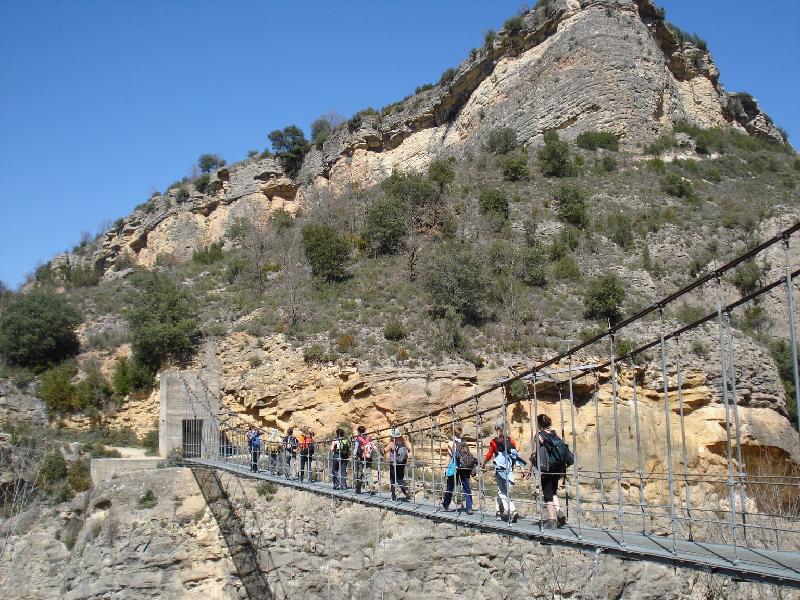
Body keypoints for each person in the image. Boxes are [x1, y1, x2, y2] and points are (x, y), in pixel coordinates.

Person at [483, 418, 526, 522]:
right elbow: (516, 455)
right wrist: (522, 469)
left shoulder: (494, 442)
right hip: (509, 469)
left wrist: (483, 464)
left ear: (497, 429)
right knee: (501, 490)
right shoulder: (511, 441)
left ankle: (512, 510)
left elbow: (489, 455)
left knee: (503, 492)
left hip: (500, 470)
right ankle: (498, 512)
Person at [532, 413, 568, 529]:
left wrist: (529, 469)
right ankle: (558, 511)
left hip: (546, 469)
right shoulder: (555, 435)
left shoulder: (539, 436)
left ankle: (552, 520)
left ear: (539, 424)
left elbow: (534, 454)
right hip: (557, 468)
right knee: (553, 492)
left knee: (547, 494)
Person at [442, 424, 474, 515]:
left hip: (455, 467)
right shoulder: (464, 442)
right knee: (466, 487)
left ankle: (446, 503)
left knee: (450, 486)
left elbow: (449, 457)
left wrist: (445, 468)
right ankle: (469, 508)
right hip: (464, 467)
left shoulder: (451, 443)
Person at [385, 428, 410, 501]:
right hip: (402, 463)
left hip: (394, 463)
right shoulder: (403, 443)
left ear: (392, 436)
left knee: (393, 480)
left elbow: (384, 451)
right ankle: (405, 491)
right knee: (400, 478)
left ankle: (393, 497)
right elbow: (409, 450)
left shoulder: (392, 443)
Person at [353, 425, 375, 494]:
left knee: (363, 473)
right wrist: (379, 454)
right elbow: (373, 446)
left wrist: (353, 456)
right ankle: (361, 487)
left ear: (359, 431)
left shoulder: (358, 439)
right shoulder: (368, 438)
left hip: (361, 459)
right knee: (365, 472)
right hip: (369, 457)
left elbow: (356, 449)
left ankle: (366, 487)